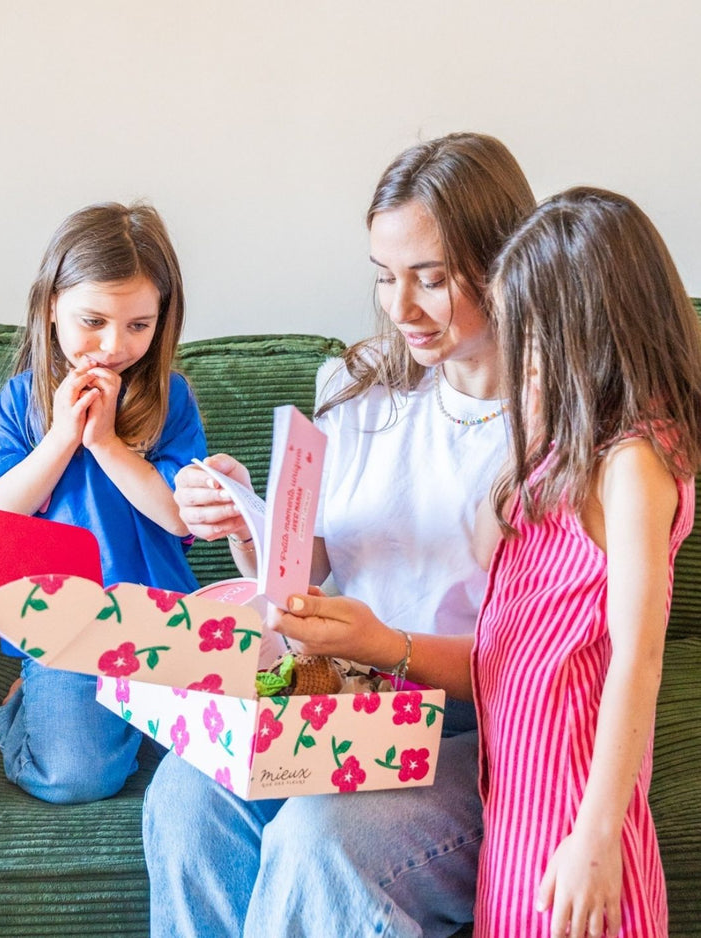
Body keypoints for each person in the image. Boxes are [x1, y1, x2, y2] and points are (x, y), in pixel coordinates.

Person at [143, 132, 536, 937]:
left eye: (430, 279)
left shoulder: (549, 426)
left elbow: (540, 663)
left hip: (478, 731)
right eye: (385, 277)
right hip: (343, 700)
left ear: (505, 265)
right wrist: (244, 518)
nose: (401, 308)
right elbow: (300, 574)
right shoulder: (357, 384)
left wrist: (390, 643)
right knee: (184, 798)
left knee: (320, 841)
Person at [469, 188, 701, 937]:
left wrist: (597, 835)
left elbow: (638, 658)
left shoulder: (634, 462)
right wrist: (533, 428)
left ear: (586, 332)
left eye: (529, 338)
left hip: (573, 805)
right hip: (518, 800)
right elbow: (491, 557)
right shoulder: (565, 452)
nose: (517, 362)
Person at [0, 202, 207, 804]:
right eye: (93, 320)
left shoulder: (170, 399)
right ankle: (27, 706)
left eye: (138, 325)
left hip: (161, 617)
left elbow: (178, 516)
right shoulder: (22, 400)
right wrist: (62, 438)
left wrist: (105, 442)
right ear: (52, 307)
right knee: (79, 776)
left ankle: (119, 719)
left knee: (212, 757)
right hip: (65, 627)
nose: (112, 345)